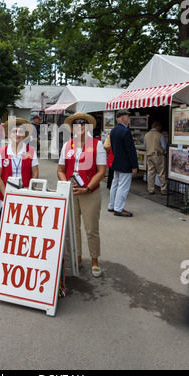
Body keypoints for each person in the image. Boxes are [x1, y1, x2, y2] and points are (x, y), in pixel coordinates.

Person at [57, 112, 107, 278]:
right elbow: (60, 170)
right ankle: (77, 258)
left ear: (88, 126)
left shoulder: (96, 145)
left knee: (91, 228)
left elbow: (101, 171)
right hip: (71, 192)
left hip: (89, 192)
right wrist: (66, 184)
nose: (80, 126)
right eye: (77, 124)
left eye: (83, 123)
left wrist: (88, 188)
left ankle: (94, 260)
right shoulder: (67, 145)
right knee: (73, 228)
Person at [0, 118, 39, 219]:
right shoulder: (3, 151)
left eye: (20, 131)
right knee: (5, 223)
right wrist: (6, 194)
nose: (17, 134)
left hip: (25, 195)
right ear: (10, 134)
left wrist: (28, 192)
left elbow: (35, 174)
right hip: (5, 195)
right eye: (14, 131)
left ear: (24, 134)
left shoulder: (31, 150)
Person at [108, 109, 138, 217]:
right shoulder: (125, 131)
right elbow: (130, 150)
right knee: (123, 187)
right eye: (127, 117)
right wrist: (134, 165)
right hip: (125, 164)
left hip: (116, 162)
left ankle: (112, 205)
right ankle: (119, 208)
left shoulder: (114, 130)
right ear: (122, 118)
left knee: (115, 184)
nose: (128, 120)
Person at [144, 121, 167, 195]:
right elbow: (164, 147)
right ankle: (163, 190)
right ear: (157, 126)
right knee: (161, 173)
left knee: (150, 173)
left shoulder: (146, 135)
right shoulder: (160, 135)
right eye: (160, 127)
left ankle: (151, 189)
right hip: (158, 156)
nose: (160, 128)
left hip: (149, 155)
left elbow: (145, 146)